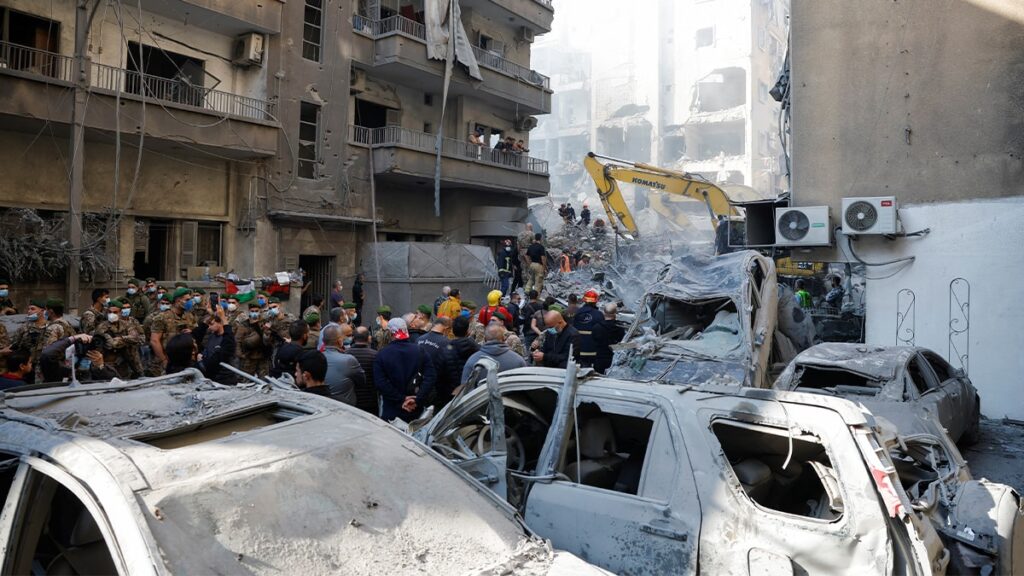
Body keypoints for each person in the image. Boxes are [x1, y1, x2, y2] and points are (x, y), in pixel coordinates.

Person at [373, 318, 436, 422]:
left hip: (392, 409)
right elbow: (431, 377)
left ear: (389, 333)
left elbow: (380, 383)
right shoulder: (420, 351)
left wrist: (401, 398)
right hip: (416, 409)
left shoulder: (382, 354)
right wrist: (417, 398)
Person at [150, 288, 198, 375]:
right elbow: (154, 341)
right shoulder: (162, 317)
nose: (190, 302)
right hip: (167, 361)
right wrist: (164, 360)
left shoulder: (189, 316)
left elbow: (195, 332)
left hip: (185, 361)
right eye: (187, 300)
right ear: (178, 301)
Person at [94, 298, 146, 379]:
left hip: (126, 361)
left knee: (132, 348)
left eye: (115, 312)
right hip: (109, 362)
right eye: (110, 312)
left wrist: (121, 339)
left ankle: (139, 372)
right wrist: (125, 340)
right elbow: (111, 344)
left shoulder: (126, 324)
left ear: (120, 313)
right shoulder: (102, 327)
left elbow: (136, 338)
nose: (112, 314)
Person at [417, 316, 460, 411]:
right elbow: (450, 369)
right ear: (447, 328)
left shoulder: (419, 339)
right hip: (436, 388)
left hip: (417, 385)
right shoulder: (447, 343)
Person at [461, 324, 526, 386]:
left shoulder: (473, 361)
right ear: (503, 338)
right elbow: (525, 386)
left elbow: (465, 390)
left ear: (485, 338)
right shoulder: (518, 360)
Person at [39, 333, 117, 383]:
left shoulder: (97, 370)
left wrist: (100, 367)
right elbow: (47, 355)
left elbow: (116, 383)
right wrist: (73, 339)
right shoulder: (59, 370)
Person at [321, 324, 365, 406]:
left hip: (322, 406)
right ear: (339, 341)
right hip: (346, 408)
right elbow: (362, 382)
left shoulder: (316, 358)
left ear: (323, 341)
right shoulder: (349, 360)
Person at [192, 307, 238, 384]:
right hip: (212, 376)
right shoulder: (212, 336)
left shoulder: (227, 339)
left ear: (220, 323)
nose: (209, 327)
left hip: (224, 377)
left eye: (212, 324)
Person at [346, 326, 379, 415]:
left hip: (351, 401)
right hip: (370, 401)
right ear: (368, 338)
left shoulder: (346, 354)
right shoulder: (374, 355)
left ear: (353, 338)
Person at [235, 301, 272, 377]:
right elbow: (237, 340)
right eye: (252, 311)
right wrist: (240, 354)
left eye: (256, 311)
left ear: (260, 311)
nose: (254, 313)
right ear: (249, 311)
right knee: (246, 379)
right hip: (249, 357)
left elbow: (270, 340)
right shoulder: (244, 324)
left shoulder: (265, 324)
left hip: (262, 357)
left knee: (264, 379)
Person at [592, 303, 626, 374]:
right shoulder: (620, 328)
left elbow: (594, 342)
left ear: (604, 313)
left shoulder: (596, 327)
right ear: (615, 314)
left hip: (599, 359)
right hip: (614, 359)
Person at [573, 290, 602, 368]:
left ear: (584, 300)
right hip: (592, 350)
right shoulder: (599, 315)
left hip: (577, 349)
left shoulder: (578, 313)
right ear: (595, 301)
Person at [449, 315, 480, 380]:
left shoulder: (447, 347)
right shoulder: (475, 347)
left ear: (452, 330)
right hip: (468, 382)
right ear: (468, 331)